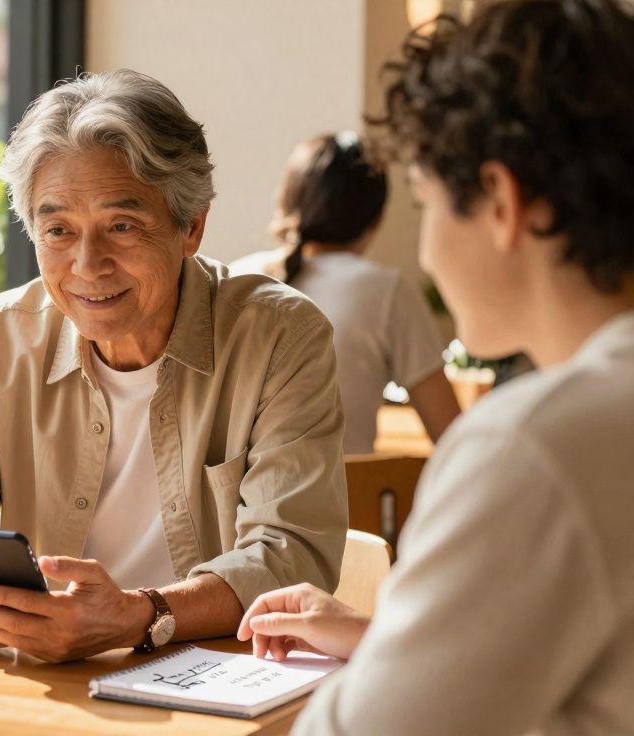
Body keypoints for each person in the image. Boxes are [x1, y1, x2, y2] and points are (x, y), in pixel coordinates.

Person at [238, 1, 634, 733]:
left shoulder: (535, 448)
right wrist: (392, 640)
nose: (424, 254)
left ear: (500, 201)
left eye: (424, 205)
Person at [0, 69, 348, 664]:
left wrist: (139, 617)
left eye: (122, 226)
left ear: (191, 226)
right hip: (54, 688)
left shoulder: (279, 335)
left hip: (220, 677)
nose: (88, 264)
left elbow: (290, 553)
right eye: (58, 231)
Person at [230, 132, 461, 454]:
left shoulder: (233, 277)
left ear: (287, 203)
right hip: (349, 501)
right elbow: (451, 436)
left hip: (230, 502)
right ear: (376, 220)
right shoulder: (386, 290)